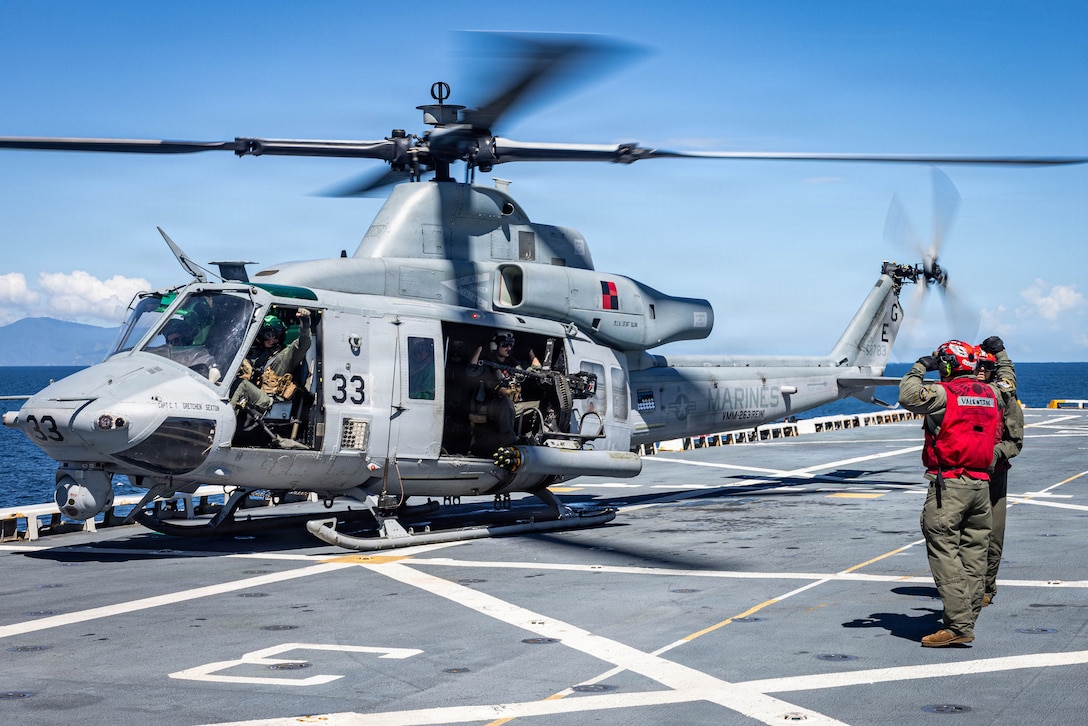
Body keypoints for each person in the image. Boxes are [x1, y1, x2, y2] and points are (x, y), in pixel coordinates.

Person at [898, 338, 1003, 647]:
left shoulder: (945, 394)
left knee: (945, 554)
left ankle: (957, 625)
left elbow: (907, 395)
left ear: (947, 365)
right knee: (974, 556)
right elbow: (1007, 381)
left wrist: (921, 366)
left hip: (951, 485)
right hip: (981, 485)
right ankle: (966, 619)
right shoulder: (993, 393)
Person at [975, 337, 1023, 607]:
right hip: (959, 474)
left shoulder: (1002, 396)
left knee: (993, 534)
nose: (981, 370)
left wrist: (993, 455)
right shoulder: (956, 392)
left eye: (986, 365)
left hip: (993, 474)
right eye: (977, 365)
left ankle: (986, 587)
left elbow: (1014, 441)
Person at [229, 309, 312, 424]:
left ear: (279, 335)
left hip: (271, 401)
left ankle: (224, 421)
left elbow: (304, 343)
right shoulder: (258, 355)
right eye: (264, 334)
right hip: (256, 397)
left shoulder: (286, 356)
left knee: (241, 384)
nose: (267, 338)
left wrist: (305, 324)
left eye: (270, 334)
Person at [466, 330, 540, 454]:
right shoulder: (487, 363)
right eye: (505, 344)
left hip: (511, 406)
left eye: (511, 345)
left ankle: (534, 442)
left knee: (536, 406)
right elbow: (470, 371)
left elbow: (537, 371)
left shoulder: (513, 363)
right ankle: (509, 444)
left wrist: (530, 351)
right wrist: (480, 348)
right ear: (495, 346)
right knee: (506, 403)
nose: (508, 348)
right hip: (487, 405)